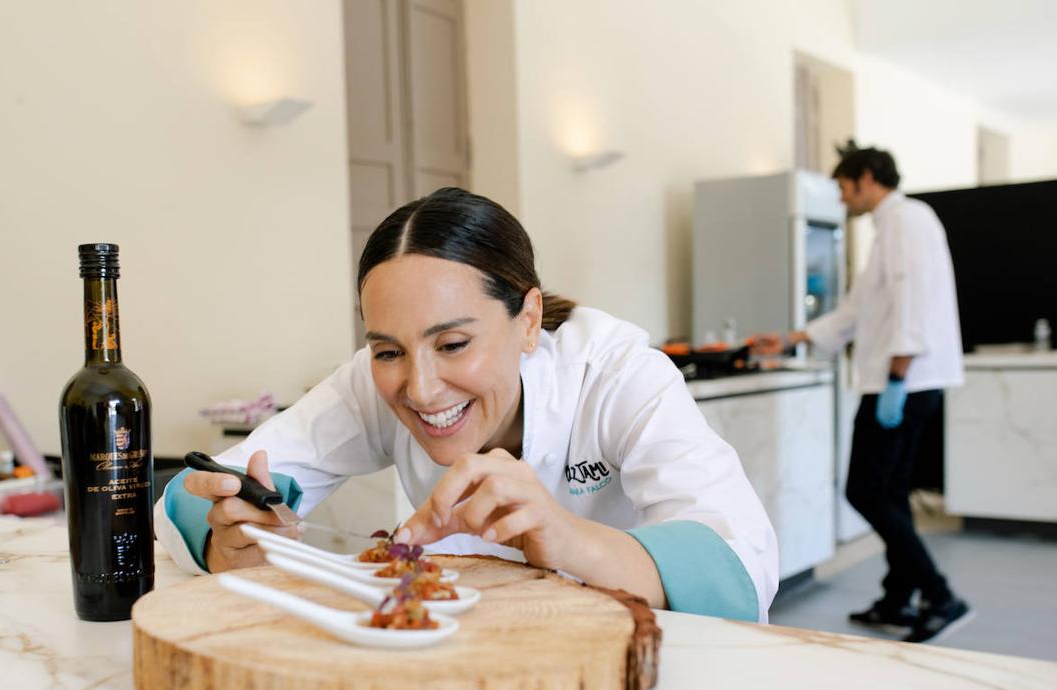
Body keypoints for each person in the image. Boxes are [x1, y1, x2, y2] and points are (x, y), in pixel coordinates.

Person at [155, 187, 778, 621]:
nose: (421, 389)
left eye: (453, 343)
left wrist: (566, 538)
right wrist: (226, 536)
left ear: (528, 320)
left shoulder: (618, 377)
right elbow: (200, 488)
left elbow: (740, 568)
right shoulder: (376, 383)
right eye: (388, 349)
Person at [754, 145, 971, 643]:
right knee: (890, 492)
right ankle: (899, 598)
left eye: (843, 187)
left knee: (866, 492)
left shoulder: (906, 221)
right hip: (905, 379)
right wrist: (792, 338)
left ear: (866, 178)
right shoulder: (892, 226)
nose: (841, 198)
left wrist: (897, 377)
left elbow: (911, 305)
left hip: (903, 382)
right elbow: (856, 311)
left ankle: (941, 596)